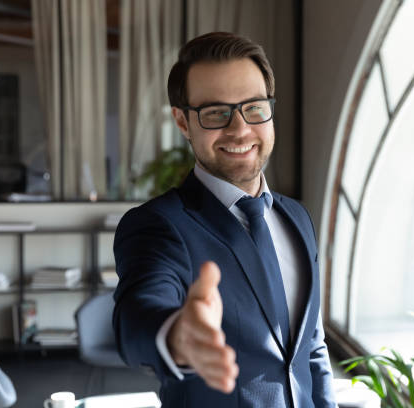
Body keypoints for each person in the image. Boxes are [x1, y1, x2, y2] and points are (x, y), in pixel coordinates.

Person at [113, 31, 337, 408]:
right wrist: (178, 335)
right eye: (216, 113)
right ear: (183, 122)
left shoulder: (297, 218)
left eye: (254, 107)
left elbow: (311, 348)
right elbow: (137, 313)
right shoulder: (158, 226)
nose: (240, 129)